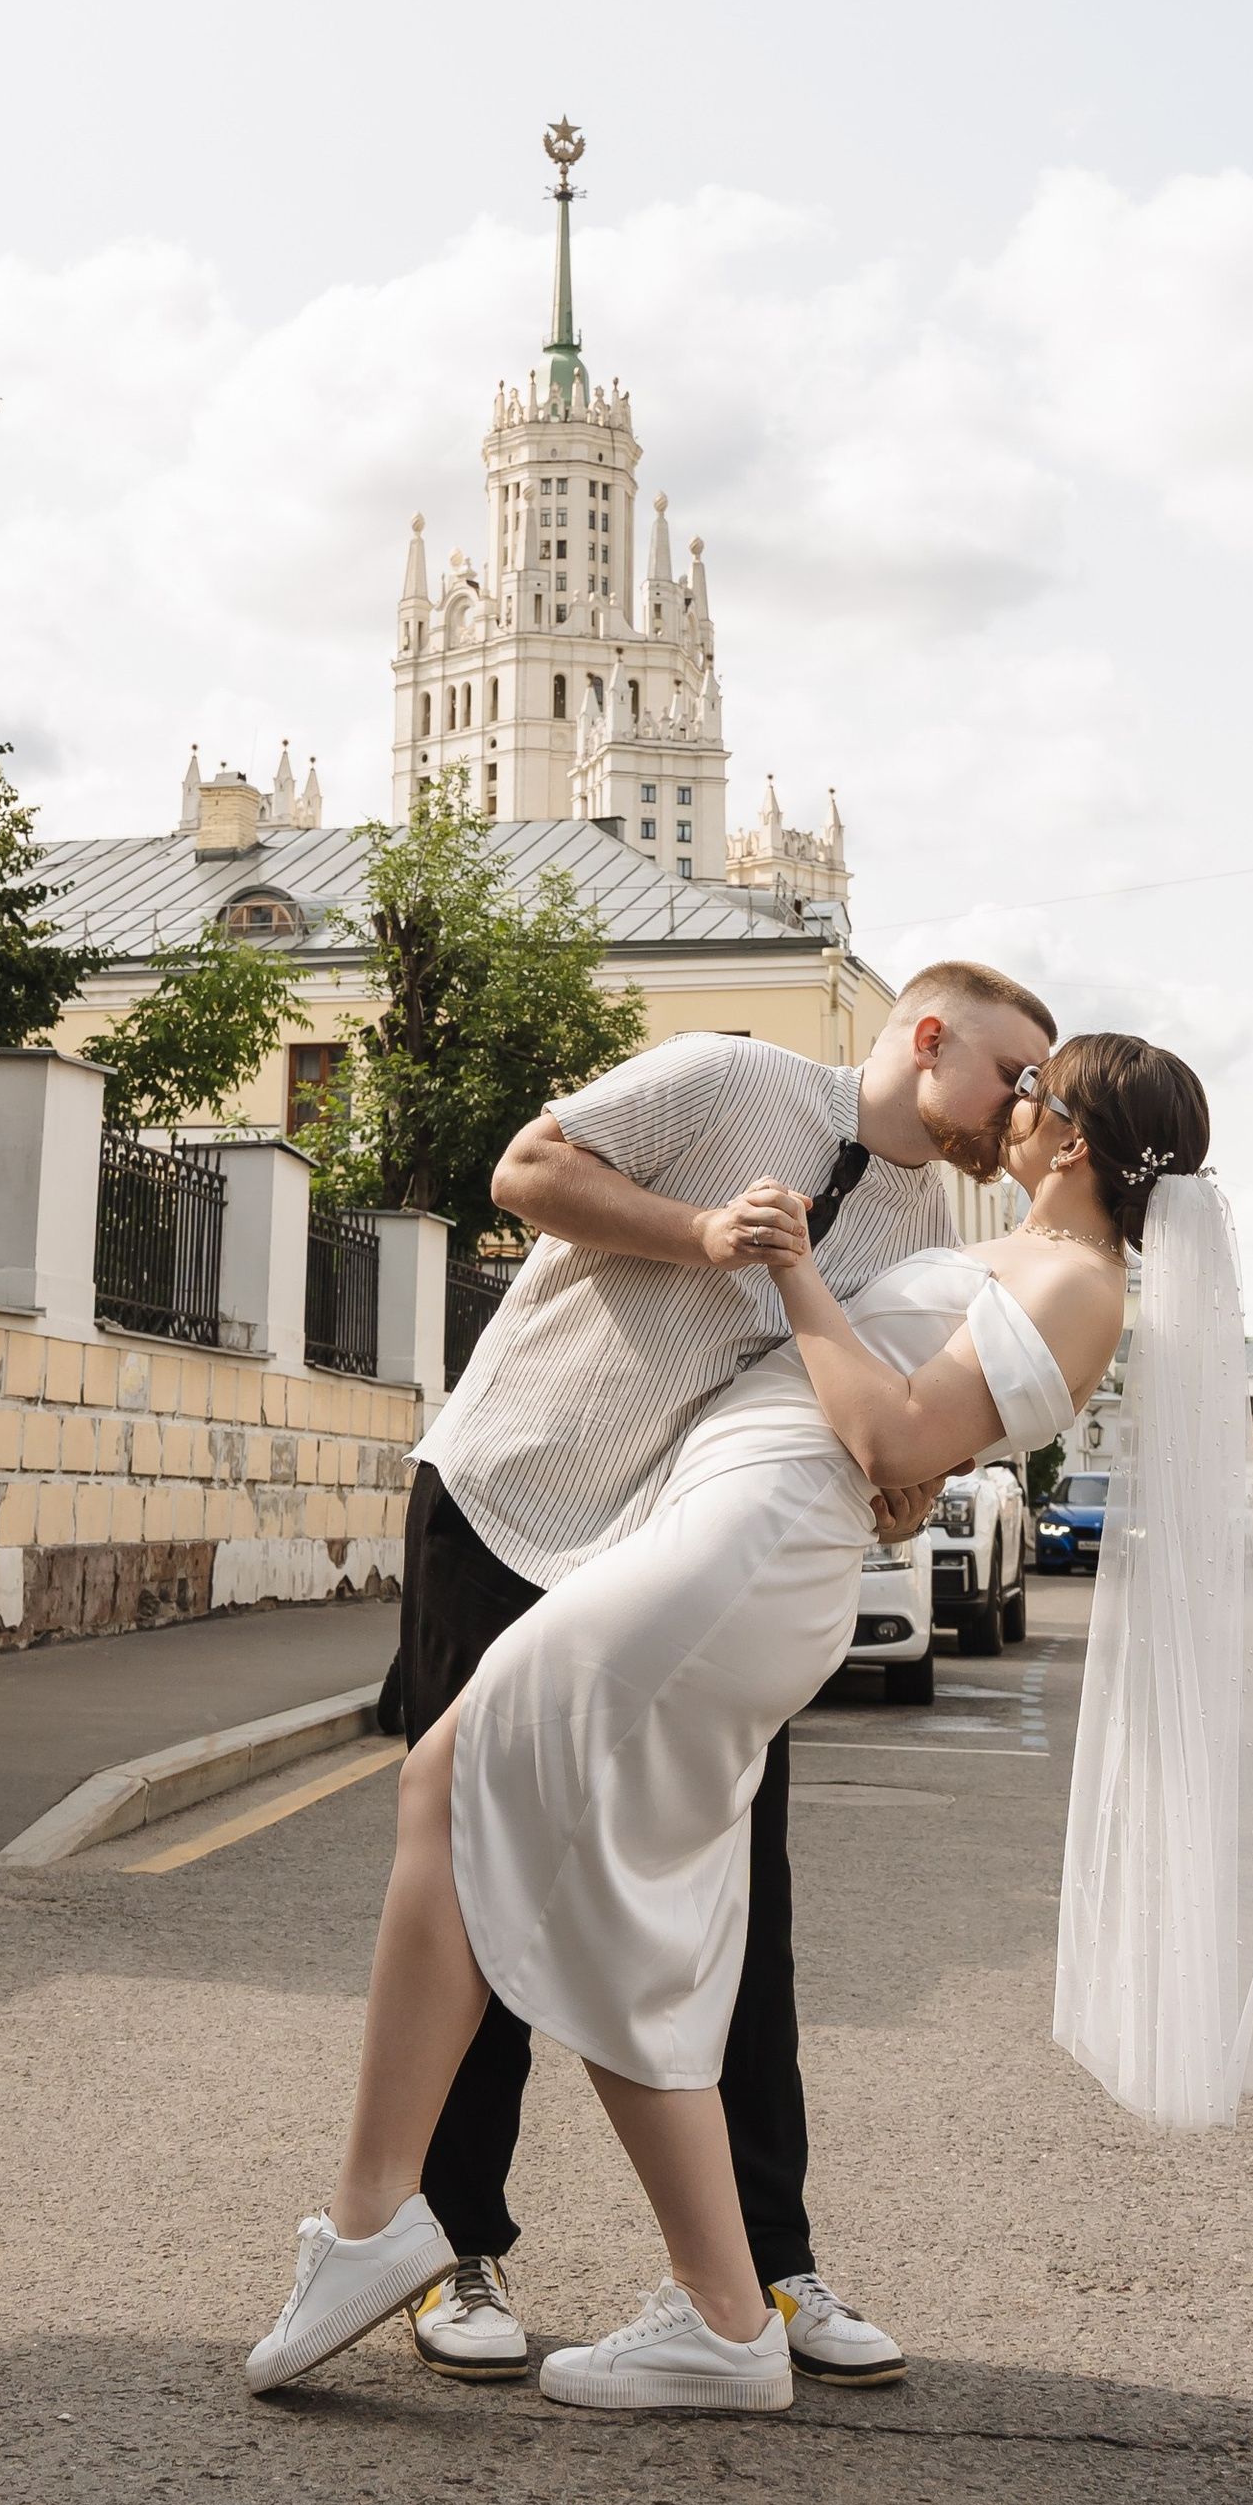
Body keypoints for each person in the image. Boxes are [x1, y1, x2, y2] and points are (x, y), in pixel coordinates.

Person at [246, 1027, 1215, 2414]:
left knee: (458, 1784)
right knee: (609, 1898)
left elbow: (888, 1434)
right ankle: (714, 2306)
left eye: (1036, 1094)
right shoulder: (1017, 1255)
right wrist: (886, 1432)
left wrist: (799, 1278)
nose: (1012, 1105)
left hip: (739, 1557)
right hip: (723, 1536)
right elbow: (898, 1428)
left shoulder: (1077, 1284)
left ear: (1071, 1141)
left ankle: (382, 2223)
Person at [382, 959, 1054, 2391]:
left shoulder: (920, 1218)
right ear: (928, 1038)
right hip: (514, 1502)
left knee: (745, 1900)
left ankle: (767, 2267)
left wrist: (900, 1487)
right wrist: (701, 1230)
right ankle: (451, 2246)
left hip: (675, 1569)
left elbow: (849, 1397)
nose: (1023, 1105)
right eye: (1010, 1072)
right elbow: (526, 1169)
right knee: (475, 1863)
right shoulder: (732, 1076)